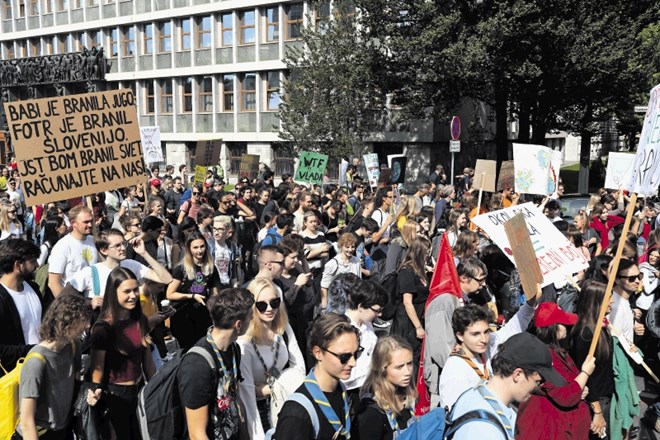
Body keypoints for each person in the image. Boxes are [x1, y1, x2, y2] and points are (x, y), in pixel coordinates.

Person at [449, 332, 565, 439]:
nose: (538, 388)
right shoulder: (484, 431)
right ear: (518, 374)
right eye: (538, 381)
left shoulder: (475, 394)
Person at [87, 267, 156, 439]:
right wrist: (95, 391)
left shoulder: (141, 320)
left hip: (139, 392)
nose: (133, 295)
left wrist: (156, 388)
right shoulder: (103, 327)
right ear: (113, 292)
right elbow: (98, 368)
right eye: (127, 291)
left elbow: (147, 361)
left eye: (135, 290)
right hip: (115, 397)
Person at [177, 287, 254, 440]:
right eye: (250, 317)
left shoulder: (233, 349)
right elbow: (197, 434)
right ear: (238, 325)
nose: (252, 321)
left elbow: (235, 398)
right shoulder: (197, 366)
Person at [16, 294, 91, 440]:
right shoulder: (36, 361)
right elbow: (26, 422)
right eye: (82, 321)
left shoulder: (74, 346)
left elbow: (74, 385)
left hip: (63, 429)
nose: (87, 326)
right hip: (40, 433)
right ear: (67, 321)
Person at [273, 313, 359, 440]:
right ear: (318, 353)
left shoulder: (341, 393)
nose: (353, 363)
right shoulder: (297, 414)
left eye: (356, 353)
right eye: (344, 357)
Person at [239, 278, 306, 439]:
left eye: (274, 302)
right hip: (258, 411)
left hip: (286, 402)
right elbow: (247, 394)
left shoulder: (283, 329)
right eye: (262, 305)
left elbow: (299, 369)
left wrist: (272, 388)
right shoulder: (244, 342)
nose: (270, 309)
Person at [517, 302, 595, 440]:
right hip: (550, 429)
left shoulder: (556, 350)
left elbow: (572, 383)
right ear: (553, 328)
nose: (567, 327)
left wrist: (582, 387)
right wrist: (585, 373)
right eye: (563, 323)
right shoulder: (542, 356)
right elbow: (566, 396)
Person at [69, 229, 173, 305]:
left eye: (123, 244)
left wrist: (144, 253)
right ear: (103, 250)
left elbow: (167, 279)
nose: (123, 248)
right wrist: (89, 303)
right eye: (117, 245)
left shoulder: (131, 265)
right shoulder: (90, 272)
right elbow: (66, 299)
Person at [570, 280, 615, 439]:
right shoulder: (587, 335)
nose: (613, 301)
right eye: (609, 298)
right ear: (597, 302)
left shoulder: (600, 327)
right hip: (595, 401)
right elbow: (586, 377)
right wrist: (597, 411)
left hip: (605, 396)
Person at [166, 231, 222, 350]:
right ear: (189, 249)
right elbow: (170, 294)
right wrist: (191, 296)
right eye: (195, 247)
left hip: (202, 314)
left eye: (202, 246)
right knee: (187, 349)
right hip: (183, 315)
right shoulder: (181, 268)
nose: (199, 250)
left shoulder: (211, 267)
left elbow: (214, 293)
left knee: (203, 347)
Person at [353, 335, 416, 440]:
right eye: (399, 367)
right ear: (382, 368)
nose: (408, 372)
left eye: (409, 364)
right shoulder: (371, 412)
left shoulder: (404, 396)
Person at [0, 239, 44, 376]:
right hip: (13, 376)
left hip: (40, 367)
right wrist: (35, 349)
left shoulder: (34, 288)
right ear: (18, 265)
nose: (37, 265)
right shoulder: (1, 299)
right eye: (33, 261)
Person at [390, 239, 430, 374]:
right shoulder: (407, 271)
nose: (428, 257)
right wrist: (418, 326)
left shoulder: (420, 270)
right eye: (426, 253)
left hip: (418, 316)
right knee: (407, 355)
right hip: (407, 320)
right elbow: (407, 302)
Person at [343, 280, 387, 399]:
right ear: (361, 307)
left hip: (368, 387)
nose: (380, 314)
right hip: (351, 391)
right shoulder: (344, 329)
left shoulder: (367, 323)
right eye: (377, 310)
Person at [48, 205, 98, 297]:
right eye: (86, 222)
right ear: (74, 223)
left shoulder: (93, 240)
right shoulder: (63, 246)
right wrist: (65, 306)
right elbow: (53, 282)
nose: (90, 225)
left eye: (91, 221)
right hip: (74, 300)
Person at [320, 232, 361, 308]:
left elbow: (359, 282)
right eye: (347, 247)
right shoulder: (333, 263)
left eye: (352, 247)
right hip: (336, 301)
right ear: (341, 246)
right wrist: (324, 304)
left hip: (351, 301)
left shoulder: (356, 261)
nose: (350, 250)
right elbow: (324, 285)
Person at [611, 259, 645, 342]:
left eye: (639, 276)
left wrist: (635, 328)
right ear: (617, 279)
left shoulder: (626, 300)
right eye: (631, 278)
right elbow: (615, 341)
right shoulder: (614, 305)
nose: (637, 281)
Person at [212, 216, 239, 289]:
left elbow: (233, 269)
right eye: (214, 229)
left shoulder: (232, 246)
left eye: (220, 229)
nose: (216, 233)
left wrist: (235, 287)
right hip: (213, 286)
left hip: (227, 285)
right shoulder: (209, 245)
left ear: (228, 230)